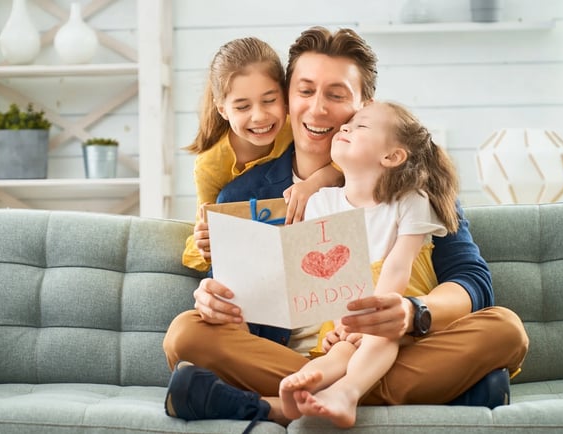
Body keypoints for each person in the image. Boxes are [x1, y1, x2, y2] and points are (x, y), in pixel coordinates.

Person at [164, 26, 529, 429]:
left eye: (336, 95)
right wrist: (218, 303)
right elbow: (234, 297)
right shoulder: (245, 191)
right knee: (185, 334)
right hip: (292, 358)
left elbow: (471, 279)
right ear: (288, 98)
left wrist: (411, 312)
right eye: (305, 91)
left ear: (364, 105)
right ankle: (439, 392)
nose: (318, 110)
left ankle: (277, 406)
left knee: (505, 329)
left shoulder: (411, 182)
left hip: (387, 347)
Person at [279, 100, 461, 428]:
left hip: (397, 313)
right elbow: (329, 279)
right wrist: (342, 326)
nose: (345, 127)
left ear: (392, 156)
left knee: (381, 337)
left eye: (360, 126)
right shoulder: (322, 203)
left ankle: (346, 392)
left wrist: (373, 322)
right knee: (339, 353)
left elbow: (398, 267)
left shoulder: (411, 200)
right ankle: (302, 387)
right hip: (344, 316)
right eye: (347, 124)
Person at [181, 36, 340, 273]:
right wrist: (204, 243)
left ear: (285, 97)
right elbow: (205, 226)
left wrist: (315, 183)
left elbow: (353, 155)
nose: (259, 116)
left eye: (269, 100)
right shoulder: (209, 166)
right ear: (222, 109)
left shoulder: (294, 126)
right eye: (243, 106)